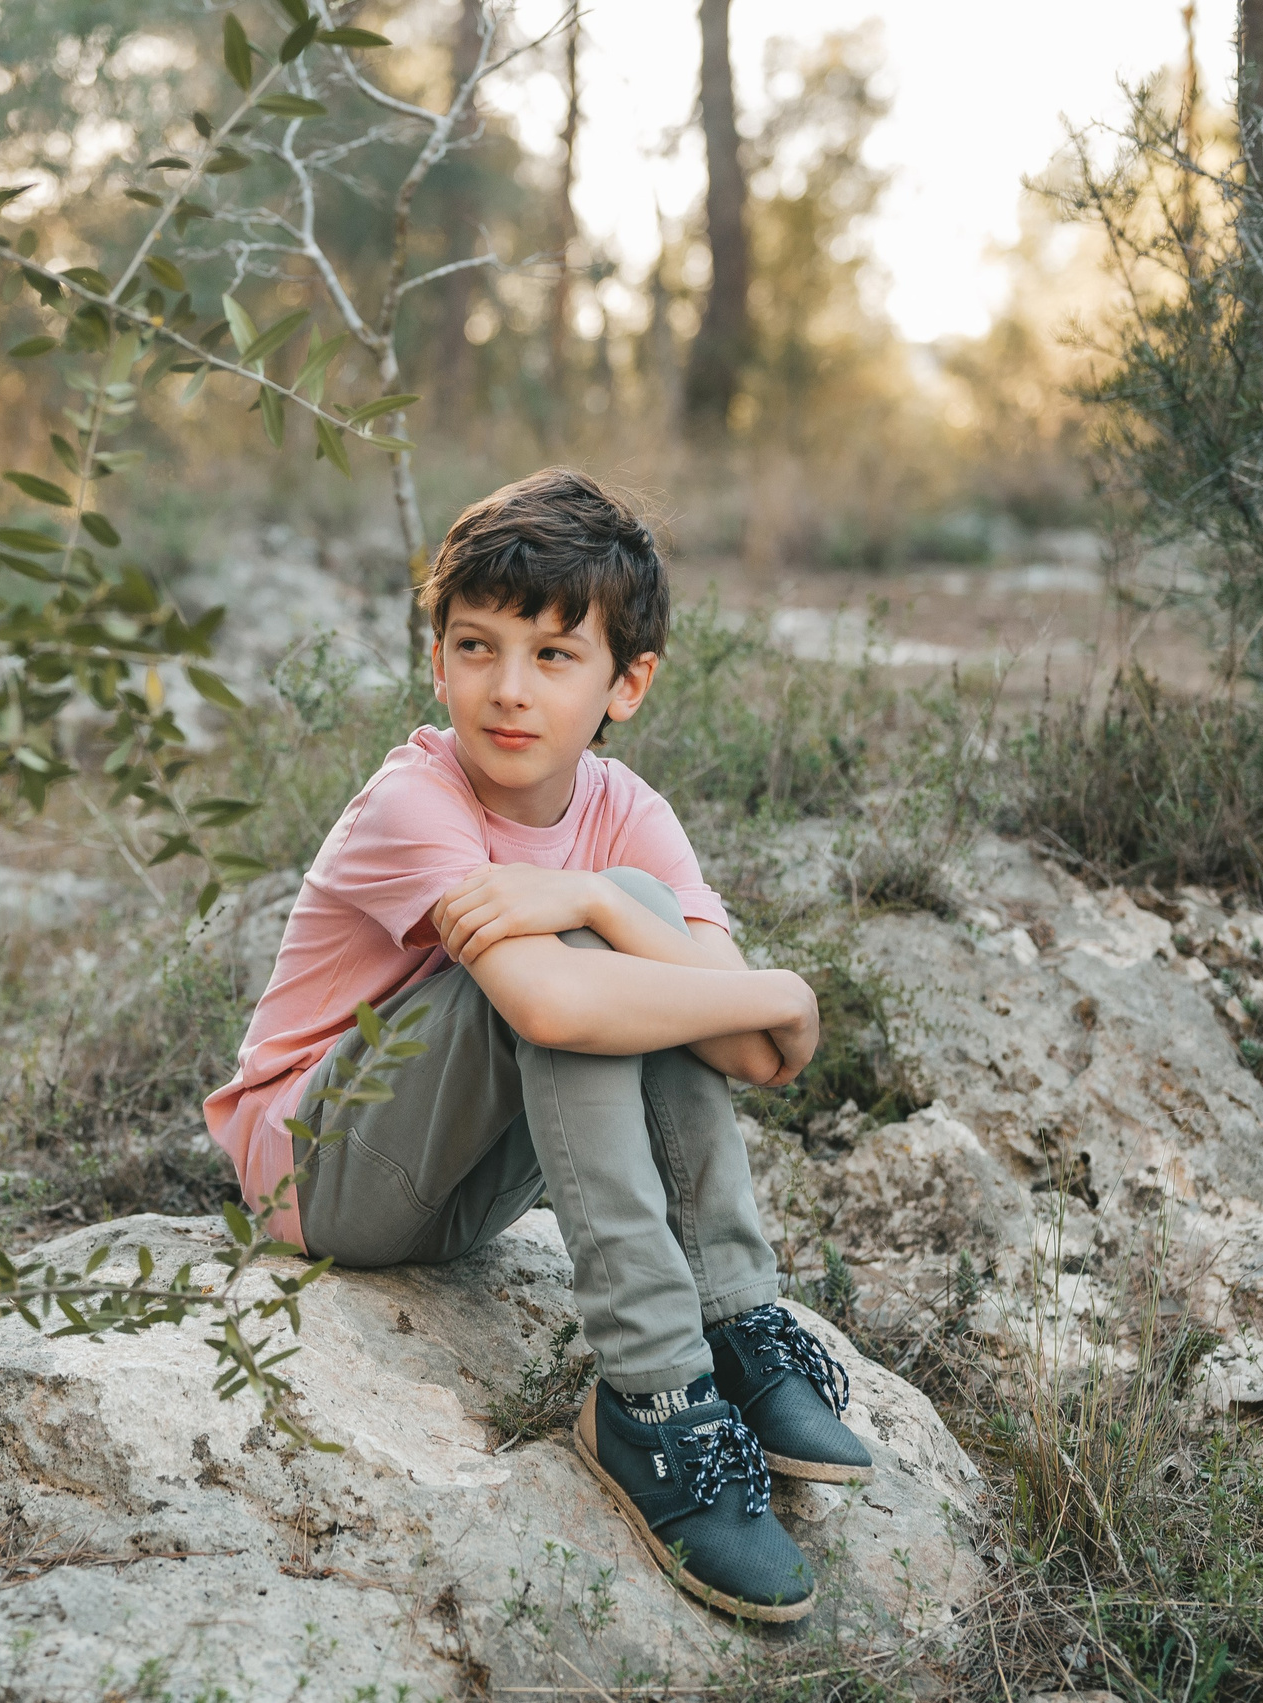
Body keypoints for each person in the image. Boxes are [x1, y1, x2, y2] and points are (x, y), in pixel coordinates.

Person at [203, 468, 868, 1621]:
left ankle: (731, 1319)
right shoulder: (412, 801)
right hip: (322, 1171)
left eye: (554, 655)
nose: (507, 689)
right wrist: (758, 985)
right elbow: (564, 1012)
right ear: (437, 661)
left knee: (621, 914)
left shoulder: (627, 813)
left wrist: (615, 904)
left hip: (456, 1189)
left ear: (627, 682)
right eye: (476, 647)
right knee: (587, 953)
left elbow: (755, 1052)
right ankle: (653, 1398)